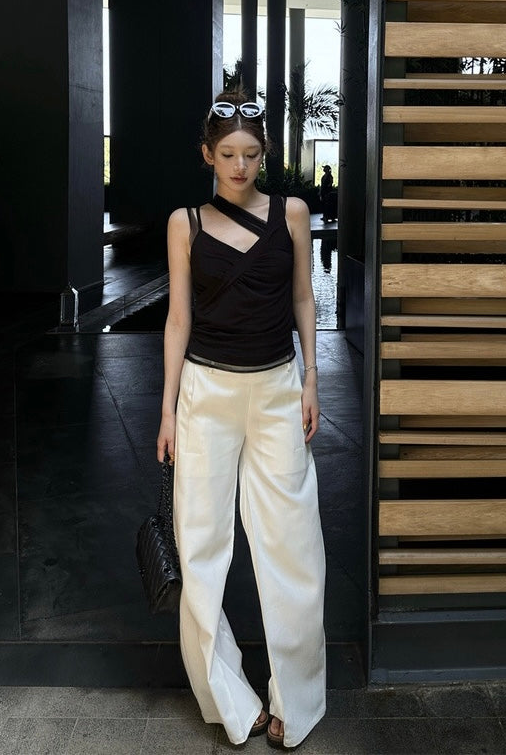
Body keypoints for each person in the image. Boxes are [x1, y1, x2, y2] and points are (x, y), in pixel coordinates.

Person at [156, 91, 326, 750]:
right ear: (207, 154)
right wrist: (168, 409)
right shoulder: (184, 223)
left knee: (294, 545)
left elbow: (305, 298)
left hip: (278, 388)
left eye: (250, 154)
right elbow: (178, 319)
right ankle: (229, 698)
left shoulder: (292, 213)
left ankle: (296, 701)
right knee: (200, 546)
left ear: (264, 154)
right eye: (226, 153)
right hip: (206, 392)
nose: (238, 165)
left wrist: (312, 377)